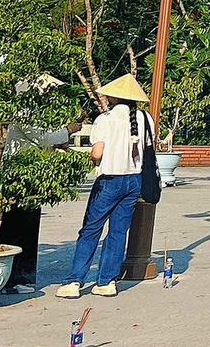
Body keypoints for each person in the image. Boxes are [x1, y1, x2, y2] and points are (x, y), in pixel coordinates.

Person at [56, 73, 155, 299]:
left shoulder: (105, 120)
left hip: (109, 179)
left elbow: (97, 153)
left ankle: (74, 281)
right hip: (134, 180)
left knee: (91, 229)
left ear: (113, 98)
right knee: (118, 232)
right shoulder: (145, 119)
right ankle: (107, 281)